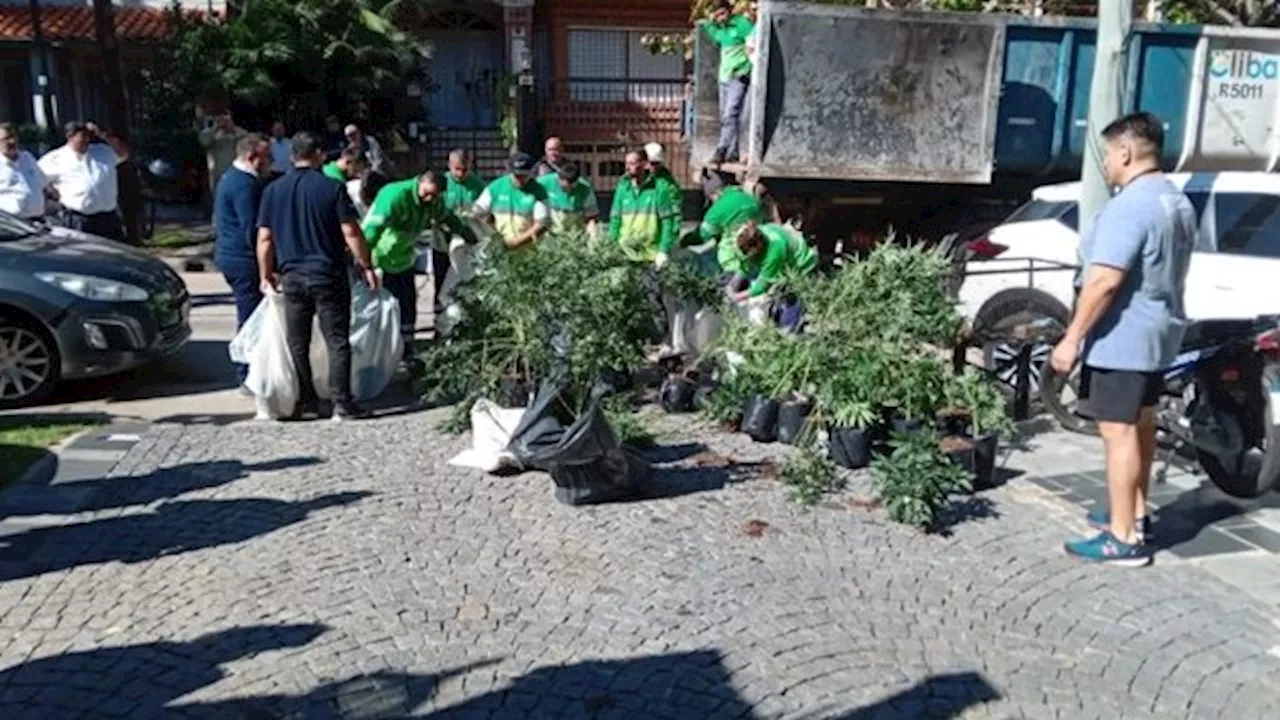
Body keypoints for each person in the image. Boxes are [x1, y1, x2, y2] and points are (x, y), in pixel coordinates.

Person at [1051, 112, 1196, 567]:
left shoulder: (1129, 206)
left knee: (1118, 432)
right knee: (1142, 423)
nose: (1107, 164)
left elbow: (1104, 282)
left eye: (1110, 155)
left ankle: (1122, 538)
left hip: (1122, 336)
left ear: (1126, 152)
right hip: (1158, 332)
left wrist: (1072, 338)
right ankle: (1132, 511)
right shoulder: (1175, 201)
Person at [256, 131, 380, 421]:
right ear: (319, 155)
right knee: (336, 339)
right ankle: (341, 402)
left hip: (292, 275)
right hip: (328, 272)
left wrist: (266, 274)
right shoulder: (331, 188)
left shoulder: (273, 190)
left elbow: (264, 238)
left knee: (297, 341)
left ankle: (306, 400)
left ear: (291, 156)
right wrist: (366, 264)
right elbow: (350, 231)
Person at [362, 169, 477, 362]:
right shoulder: (395, 195)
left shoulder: (434, 202)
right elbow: (372, 230)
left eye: (434, 195)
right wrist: (365, 264)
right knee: (383, 309)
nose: (429, 199)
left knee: (407, 306)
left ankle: (406, 349)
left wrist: (468, 235)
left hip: (405, 259)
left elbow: (447, 218)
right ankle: (379, 350)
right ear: (419, 183)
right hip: (381, 259)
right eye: (426, 193)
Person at [214, 133, 273, 388]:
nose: (270, 162)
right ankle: (247, 374)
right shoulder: (244, 185)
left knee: (250, 313)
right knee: (251, 317)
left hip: (230, 254)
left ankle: (250, 370)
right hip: (243, 259)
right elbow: (253, 229)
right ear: (252, 157)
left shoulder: (231, 177)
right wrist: (268, 265)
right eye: (266, 157)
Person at [39, 122, 124, 242]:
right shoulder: (55, 158)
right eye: (82, 137)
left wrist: (103, 135)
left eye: (88, 136)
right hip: (79, 219)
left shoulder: (103, 152)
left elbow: (124, 154)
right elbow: (37, 180)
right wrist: (51, 192)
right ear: (70, 137)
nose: (86, 140)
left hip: (108, 217)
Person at [728, 221, 817, 329]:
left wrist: (736, 297)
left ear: (756, 248)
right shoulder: (754, 232)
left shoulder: (774, 251)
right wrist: (734, 282)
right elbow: (746, 263)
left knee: (790, 303)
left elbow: (762, 286)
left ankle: (792, 330)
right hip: (783, 262)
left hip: (800, 266)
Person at [700, 1, 755, 165]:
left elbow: (753, 44)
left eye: (722, 13)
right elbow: (709, 28)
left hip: (738, 77)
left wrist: (745, 69)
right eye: (717, 14)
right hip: (724, 78)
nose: (720, 17)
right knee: (727, 117)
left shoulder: (741, 24)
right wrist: (711, 19)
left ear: (730, 11)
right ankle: (733, 151)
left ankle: (722, 149)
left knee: (730, 113)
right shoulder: (720, 29)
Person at [608, 149, 678, 265]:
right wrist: (611, 245)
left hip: (650, 254)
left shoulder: (659, 189)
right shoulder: (622, 189)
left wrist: (664, 250)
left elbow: (667, 222)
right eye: (626, 163)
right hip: (625, 253)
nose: (627, 167)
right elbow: (615, 220)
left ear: (644, 164)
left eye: (632, 163)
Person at [436, 149, 487, 306]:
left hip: (467, 239)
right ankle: (439, 314)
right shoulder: (442, 183)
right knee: (441, 277)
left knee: (464, 276)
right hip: (442, 239)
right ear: (449, 166)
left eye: (465, 169)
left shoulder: (477, 184)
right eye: (457, 169)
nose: (460, 173)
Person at [473, 152, 550, 250]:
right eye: (516, 175)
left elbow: (542, 224)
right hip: (499, 248)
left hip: (528, 251)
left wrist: (516, 243)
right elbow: (477, 211)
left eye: (524, 175)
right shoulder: (495, 187)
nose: (520, 179)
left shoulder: (539, 192)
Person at [697, 173, 764, 275]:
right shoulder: (752, 201)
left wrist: (684, 241)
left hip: (732, 263)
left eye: (711, 198)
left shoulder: (718, 208)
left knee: (705, 257)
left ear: (717, 193)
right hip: (756, 259)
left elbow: (703, 235)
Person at [198, 109, 248, 210]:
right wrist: (215, 128)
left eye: (225, 116)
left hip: (235, 172)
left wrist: (232, 128)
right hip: (218, 174)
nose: (223, 119)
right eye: (220, 116)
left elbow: (247, 142)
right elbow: (204, 141)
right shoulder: (211, 133)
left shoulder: (239, 132)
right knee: (219, 202)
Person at [536, 160, 599, 236]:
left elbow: (591, 216)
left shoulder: (585, 189)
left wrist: (593, 235)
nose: (567, 191)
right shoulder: (544, 182)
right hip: (550, 231)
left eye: (570, 188)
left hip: (575, 232)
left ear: (576, 182)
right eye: (563, 188)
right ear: (558, 178)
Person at [0, 122, 48, 221]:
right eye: (6, 139)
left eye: (14, 137)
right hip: (14, 224)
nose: (12, 141)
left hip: (38, 220)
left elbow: (42, 183)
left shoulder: (27, 157)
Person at [105, 132, 144, 246]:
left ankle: (134, 238)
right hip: (111, 182)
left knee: (129, 210)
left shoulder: (113, 145)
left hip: (125, 181)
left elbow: (124, 154)